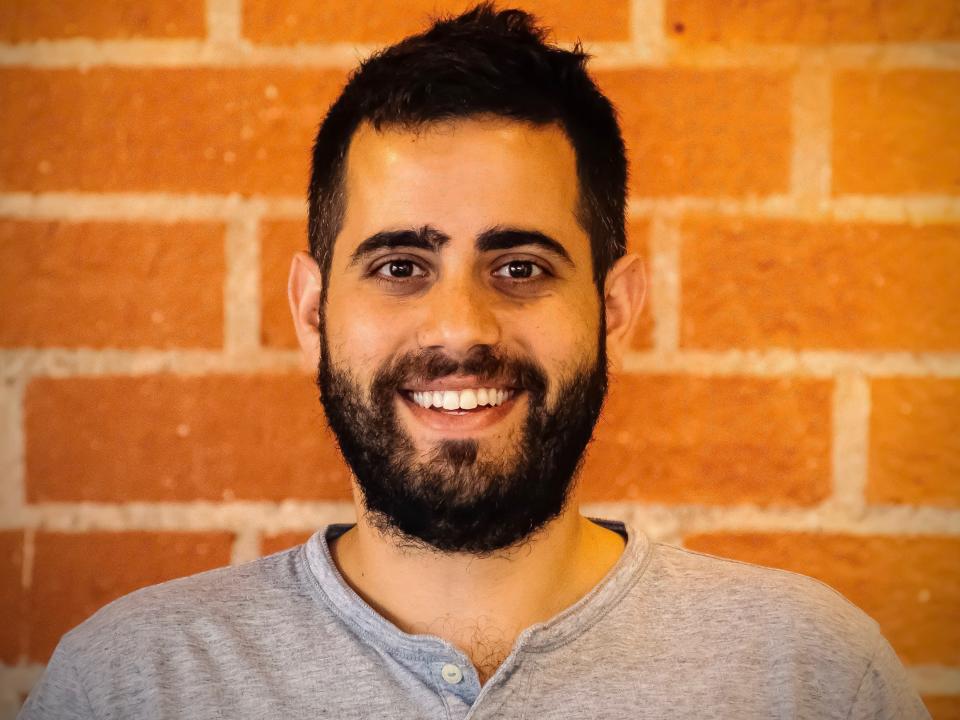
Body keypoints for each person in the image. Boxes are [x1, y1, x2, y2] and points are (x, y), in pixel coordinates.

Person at [20, 4, 929, 719]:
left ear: (615, 308)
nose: (461, 327)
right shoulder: (131, 684)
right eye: (400, 266)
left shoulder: (809, 678)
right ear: (312, 308)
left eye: (520, 267)